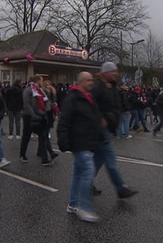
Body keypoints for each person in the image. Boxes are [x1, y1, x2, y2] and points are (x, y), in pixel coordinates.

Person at [57, 72, 102, 223]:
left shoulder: (88, 97)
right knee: (88, 172)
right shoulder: (73, 98)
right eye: (89, 80)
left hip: (87, 141)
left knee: (78, 173)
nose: (91, 82)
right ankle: (84, 207)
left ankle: (73, 204)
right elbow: (64, 120)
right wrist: (63, 140)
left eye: (92, 80)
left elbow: (93, 118)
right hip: (79, 142)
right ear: (81, 81)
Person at [92, 62, 138, 199]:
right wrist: (101, 118)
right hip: (101, 128)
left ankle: (86, 181)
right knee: (110, 158)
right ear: (105, 72)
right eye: (112, 71)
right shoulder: (98, 86)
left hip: (108, 127)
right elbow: (91, 104)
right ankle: (121, 188)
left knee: (100, 158)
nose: (115, 74)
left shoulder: (112, 87)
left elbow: (115, 105)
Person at [19, 75, 51, 166]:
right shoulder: (28, 90)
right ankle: (22, 155)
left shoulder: (39, 90)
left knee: (42, 135)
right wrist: (33, 114)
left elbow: (43, 101)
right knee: (26, 135)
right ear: (37, 81)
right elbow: (26, 103)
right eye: (41, 80)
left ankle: (44, 157)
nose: (42, 82)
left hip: (39, 114)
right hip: (28, 116)